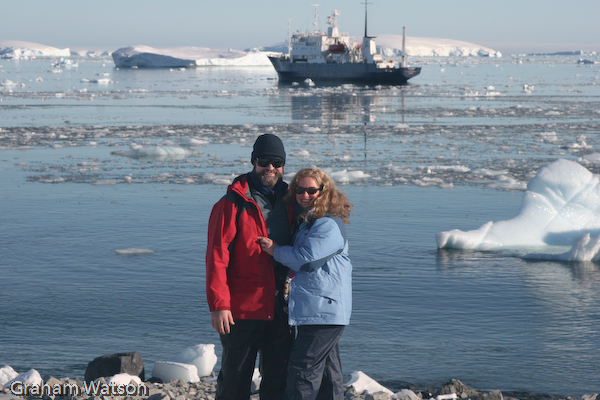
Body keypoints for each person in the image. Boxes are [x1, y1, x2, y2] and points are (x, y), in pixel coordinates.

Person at [206, 133, 294, 400]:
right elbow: (216, 258)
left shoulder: (293, 202)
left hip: (282, 307)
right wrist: (219, 305)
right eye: (264, 162)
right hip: (242, 310)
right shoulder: (231, 205)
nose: (270, 169)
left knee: (278, 380)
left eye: (276, 163)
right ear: (253, 161)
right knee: (235, 380)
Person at [258, 168, 353, 400]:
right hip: (320, 310)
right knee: (329, 373)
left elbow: (306, 259)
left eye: (312, 190)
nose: (305, 195)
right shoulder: (309, 221)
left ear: (323, 191)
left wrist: (274, 250)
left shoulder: (326, 224)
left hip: (323, 311)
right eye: (300, 190)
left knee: (303, 369)